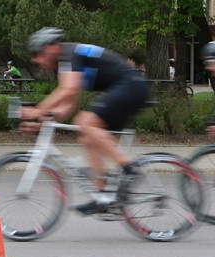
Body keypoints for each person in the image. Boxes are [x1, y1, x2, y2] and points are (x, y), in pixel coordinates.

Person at [22, 27, 149, 215]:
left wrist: (37, 110)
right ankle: (103, 195)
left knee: (85, 121)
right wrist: (44, 119)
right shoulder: (65, 62)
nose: (35, 60)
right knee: (87, 134)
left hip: (131, 86)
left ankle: (129, 167)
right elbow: (67, 105)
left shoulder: (68, 54)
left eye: (38, 54)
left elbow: (69, 90)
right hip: (126, 87)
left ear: (51, 47)